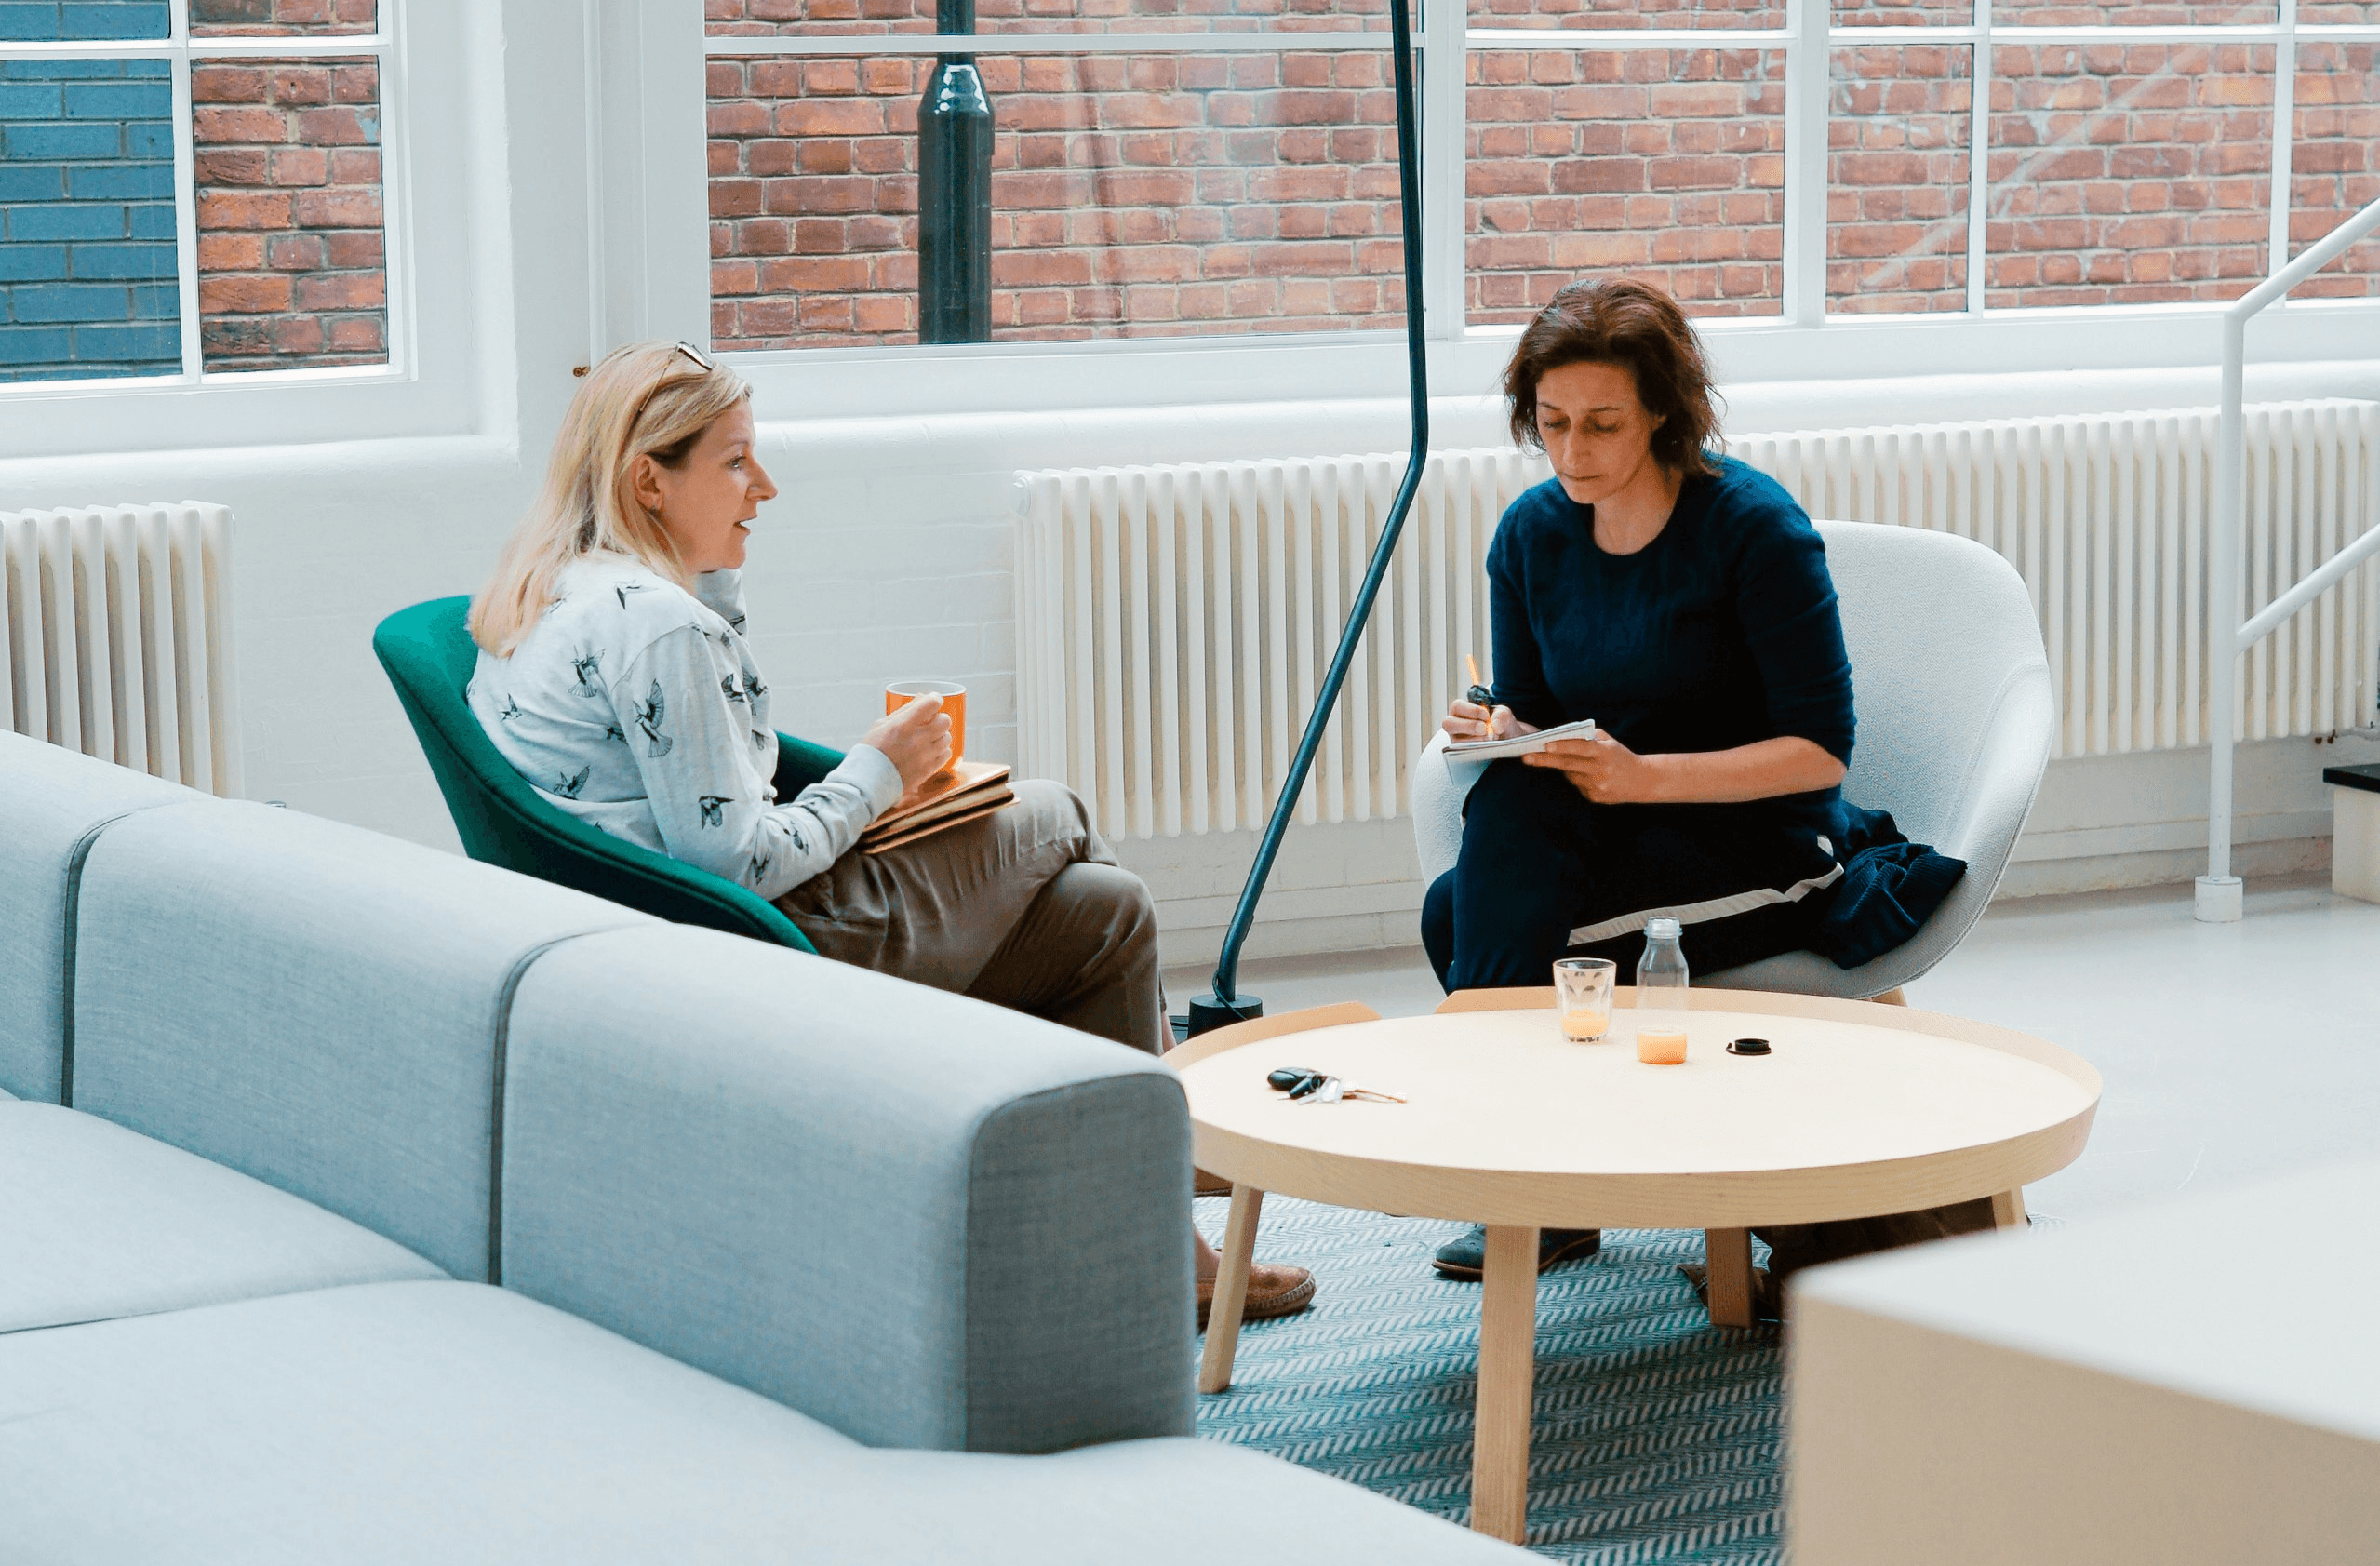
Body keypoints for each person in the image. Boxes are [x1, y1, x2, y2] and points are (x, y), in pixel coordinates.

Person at [465, 341, 1312, 1326]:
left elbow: (714, 781)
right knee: (1054, 809)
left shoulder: (572, 590)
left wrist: (726, 600)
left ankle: (1157, 1246)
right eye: (735, 461)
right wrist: (878, 771)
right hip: (767, 949)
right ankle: (1181, 1142)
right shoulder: (661, 630)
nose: (765, 486)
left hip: (683, 939)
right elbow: (731, 858)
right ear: (648, 479)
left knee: (1106, 912)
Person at [1418, 282, 1991, 1294]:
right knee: (1458, 894)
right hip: (1616, 830)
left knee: (1464, 915)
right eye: (1550, 424)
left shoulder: (1749, 529)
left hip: (1762, 841)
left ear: (1661, 415)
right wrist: (1498, 730)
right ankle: (1544, 1169)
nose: (1571, 451)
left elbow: (1817, 754)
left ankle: (1521, 1166)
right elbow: (1539, 712)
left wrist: (1642, 778)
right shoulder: (1530, 536)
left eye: (1601, 423)